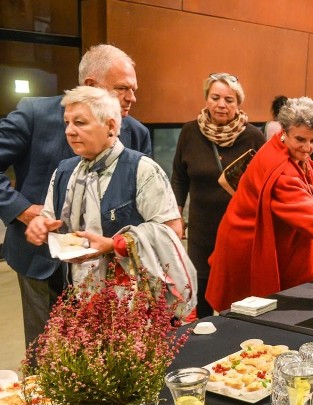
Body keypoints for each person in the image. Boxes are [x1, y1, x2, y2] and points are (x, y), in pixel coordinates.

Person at [0, 44, 152, 349]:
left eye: (133, 89)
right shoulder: (34, 114)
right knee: (47, 355)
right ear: (91, 86)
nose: (132, 97)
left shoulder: (136, 132)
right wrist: (23, 210)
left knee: (104, 355)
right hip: (41, 261)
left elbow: (143, 209)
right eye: (122, 88)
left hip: (107, 266)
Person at [24, 87, 192, 314]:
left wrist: (114, 245)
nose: (70, 131)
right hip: (78, 299)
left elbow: (171, 232)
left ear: (111, 126)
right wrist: (40, 225)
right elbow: (50, 217)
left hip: (135, 306)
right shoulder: (64, 171)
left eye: (80, 123)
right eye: (67, 123)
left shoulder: (141, 170)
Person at [206, 97, 313, 312]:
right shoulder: (280, 168)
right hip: (248, 246)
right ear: (284, 130)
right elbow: (303, 207)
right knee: (244, 315)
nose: (308, 147)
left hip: (261, 238)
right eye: (300, 139)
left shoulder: (283, 146)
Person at [170, 72, 265, 318]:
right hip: (202, 229)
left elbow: (264, 183)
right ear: (206, 99)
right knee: (201, 288)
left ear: (238, 104)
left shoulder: (254, 136)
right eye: (215, 97)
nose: (221, 104)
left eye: (229, 100)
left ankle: (236, 339)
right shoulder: (190, 132)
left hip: (239, 229)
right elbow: (179, 176)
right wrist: (176, 214)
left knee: (236, 291)